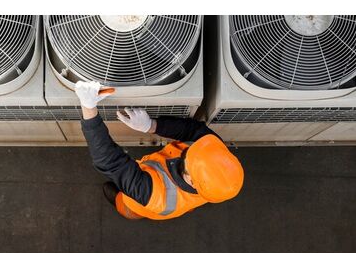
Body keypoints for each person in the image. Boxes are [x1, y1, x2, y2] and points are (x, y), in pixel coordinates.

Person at [75, 81, 244, 221]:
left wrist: (88, 108)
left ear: (191, 180)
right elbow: (193, 130)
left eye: (189, 157)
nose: (190, 148)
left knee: (126, 206)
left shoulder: (156, 196)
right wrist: (151, 126)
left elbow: (109, 161)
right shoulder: (213, 151)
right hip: (166, 190)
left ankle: (119, 201)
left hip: (139, 204)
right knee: (124, 184)